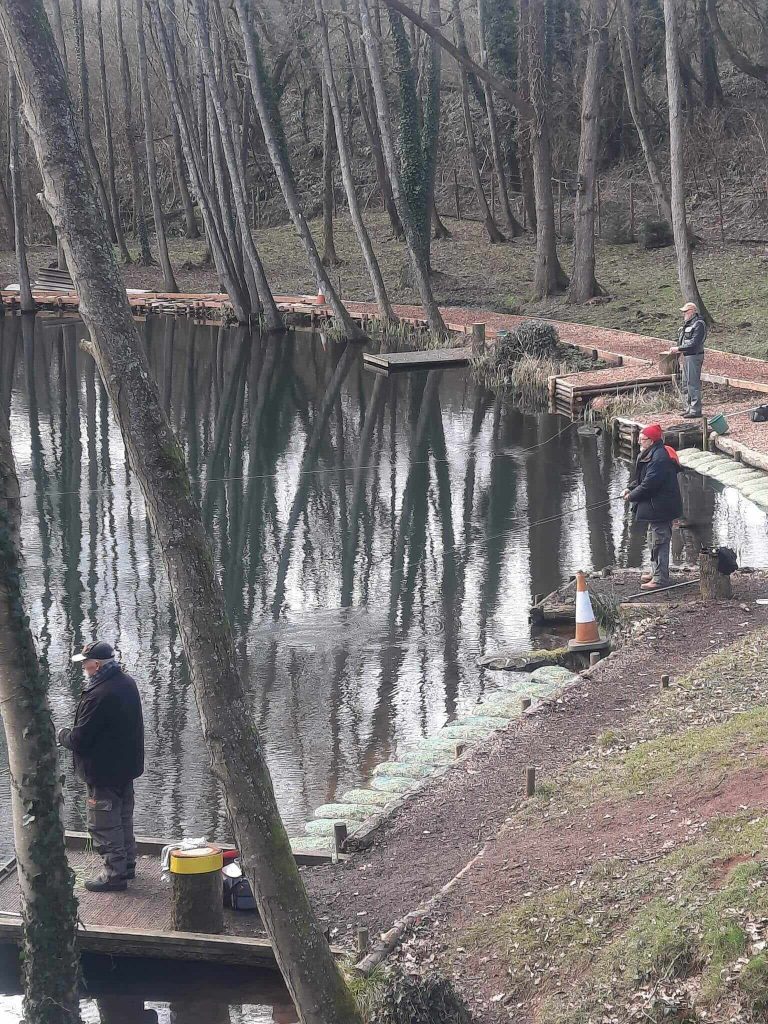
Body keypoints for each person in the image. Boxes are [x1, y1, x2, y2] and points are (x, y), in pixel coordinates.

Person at [58, 641, 144, 893]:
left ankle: (114, 876)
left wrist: (62, 733)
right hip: (125, 768)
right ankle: (127, 865)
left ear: (97, 665)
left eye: (86, 663)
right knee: (123, 818)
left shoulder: (97, 695)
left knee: (104, 824)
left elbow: (79, 739)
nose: (83, 667)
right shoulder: (127, 682)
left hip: (103, 771)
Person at [623, 424, 683, 591]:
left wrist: (632, 496)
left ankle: (660, 579)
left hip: (661, 508)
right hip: (654, 507)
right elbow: (642, 479)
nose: (639, 441)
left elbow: (650, 485)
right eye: (639, 438)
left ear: (651, 440)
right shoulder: (651, 453)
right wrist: (630, 487)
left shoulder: (659, 458)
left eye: (642, 439)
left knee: (659, 542)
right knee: (653, 540)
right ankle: (656, 571)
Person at [672, 301, 707, 419]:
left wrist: (679, 348)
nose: (684, 314)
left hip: (694, 356)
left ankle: (695, 409)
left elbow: (694, 342)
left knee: (693, 383)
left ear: (692, 311)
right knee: (685, 383)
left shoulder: (699, 324)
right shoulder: (688, 325)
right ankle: (689, 408)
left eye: (685, 311)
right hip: (687, 356)